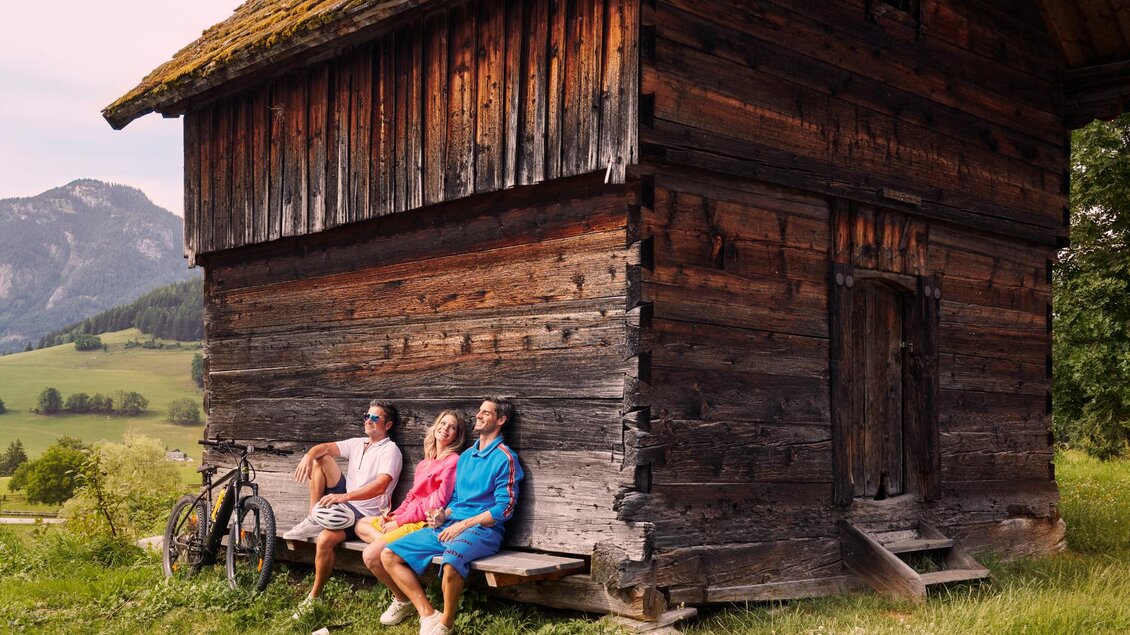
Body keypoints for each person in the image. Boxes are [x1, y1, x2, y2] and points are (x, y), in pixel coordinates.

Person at [378, 397, 523, 635]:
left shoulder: (505, 458)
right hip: (452, 525)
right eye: (479, 411)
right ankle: (428, 614)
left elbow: (504, 509)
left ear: (501, 420)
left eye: (486, 413)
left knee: (451, 562)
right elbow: (456, 500)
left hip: (484, 530)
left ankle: (446, 624)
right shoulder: (466, 456)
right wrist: (442, 516)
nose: (478, 415)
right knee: (389, 554)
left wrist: (463, 524)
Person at [283, 399, 403, 617]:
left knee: (324, 540)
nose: (368, 420)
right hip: (346, 503)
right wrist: (309, 455)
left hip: (366, 513)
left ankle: (314, 596)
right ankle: (313, 517)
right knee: (321, 458)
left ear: (388, 425)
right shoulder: (358, 443)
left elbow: (380, 486)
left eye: (375, 418)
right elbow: (325, 448)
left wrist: (344, 497)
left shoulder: (390, 450)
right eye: (366, 416)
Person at [355, 410, 465, 626]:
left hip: (421, 523)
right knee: (361, 524)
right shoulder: (426, 462)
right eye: (443, 423)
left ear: (456, 436)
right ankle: (402, 595)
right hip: (406, 518)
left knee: (370, 555)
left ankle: (415, 606)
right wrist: (395, 516)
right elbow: (412, 496)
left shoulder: (453, 461)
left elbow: (437, 501)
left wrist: (401, 521)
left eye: (452, 427)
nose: (445, 429)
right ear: (436, 426)